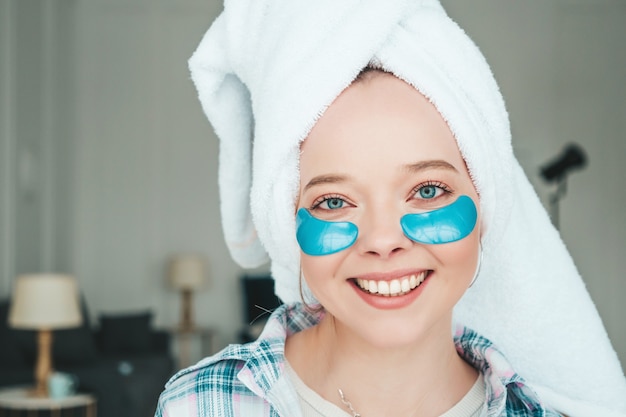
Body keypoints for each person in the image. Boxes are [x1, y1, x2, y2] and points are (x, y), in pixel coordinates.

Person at [155, 1, 626, 416]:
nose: (383, 241)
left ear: (486, 206)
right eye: (334, 201)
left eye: (426, 191)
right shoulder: (199, 406)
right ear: (286, 221)